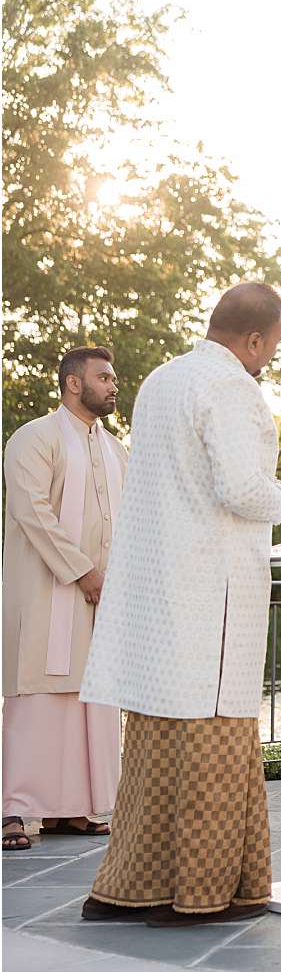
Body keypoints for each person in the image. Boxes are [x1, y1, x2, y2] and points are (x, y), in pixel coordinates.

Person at [78, 283, 281, 925]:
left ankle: (130, 889)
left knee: (154, 743)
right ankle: (203, 896)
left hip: (157, 590)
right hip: (212, 592)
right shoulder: (230, 387)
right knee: (216, 737)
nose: (268, 358)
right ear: (255, 339)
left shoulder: (162, 380)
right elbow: (239, 488)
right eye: (272, 345)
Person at [2, 347, 127, 851]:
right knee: (41, 693)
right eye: (104, 377)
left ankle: (75, 809)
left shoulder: (117, 449)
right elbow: (32, 512)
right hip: (47, 591)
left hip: (104, 594)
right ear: (74, 384)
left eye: (114, 377)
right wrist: (81, 571)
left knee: (90, 698)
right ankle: (17, 809)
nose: (113, 384)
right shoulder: (35, 437)